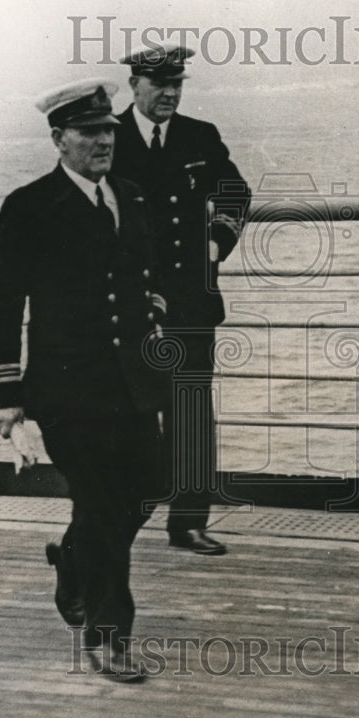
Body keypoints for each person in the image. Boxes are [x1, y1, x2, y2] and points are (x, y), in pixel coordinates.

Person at [0, 78, 166, 683]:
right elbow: (2, 306)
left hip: (132, 386)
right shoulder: (30, 206)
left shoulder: (131, 196)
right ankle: (109, 634)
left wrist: (154, 332)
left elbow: (146, 281)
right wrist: (5, 396)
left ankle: (73, 563)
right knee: (106, 501)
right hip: (67, 392)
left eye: (109, 131)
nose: (103, 142)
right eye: (89, 133)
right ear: (60, 140)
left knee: (148, 486)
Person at [112, 41, 251, 556]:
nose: (169, 94)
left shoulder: (200, 136)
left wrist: (217, 241)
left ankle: (188, 522)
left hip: (191, 300)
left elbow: (235, 191)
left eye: (177, 85)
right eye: (159, 85)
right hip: (131, 301)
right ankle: (119, 517)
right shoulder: (111, 137)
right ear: (135, 86)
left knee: (191, 412)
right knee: (132, 412)